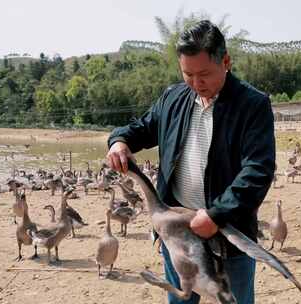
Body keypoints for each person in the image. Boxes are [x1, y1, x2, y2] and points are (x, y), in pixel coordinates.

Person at [106, 20, 275, 304]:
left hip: (226, 233)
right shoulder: (173, 97)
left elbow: (258, 170)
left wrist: (217, 214)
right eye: (188, 74)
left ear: (226, 61)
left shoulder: (252, 104)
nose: (197, 84)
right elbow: (141, 128)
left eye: (205, 74)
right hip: (179, 234)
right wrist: (119, 141)